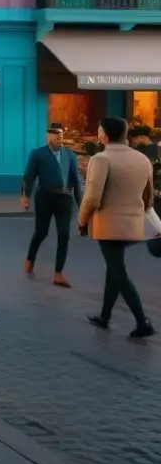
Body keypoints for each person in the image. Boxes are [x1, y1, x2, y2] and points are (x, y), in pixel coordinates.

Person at [79, 116, 156, 338]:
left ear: (106, 134)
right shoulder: (143, 160)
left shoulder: (101, 159)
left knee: (118, 272)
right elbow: (148, 198)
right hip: (133, 225)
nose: (98, 134)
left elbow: (92, 198)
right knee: (114, 267)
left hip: (109, 225)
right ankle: (104, 316)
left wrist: (82, 221)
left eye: (100, 130)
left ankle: (143, 321)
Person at [20, 122, 84, 287]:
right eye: (55, 135)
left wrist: (81, 204)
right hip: (45, 197)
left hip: (65, 199)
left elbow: (76, 180)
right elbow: (29, 176)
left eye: (61, 135)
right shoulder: (38, 154)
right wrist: (25, 196)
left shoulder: (70, 155)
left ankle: (58, 274)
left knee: (64, 235)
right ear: (48, 137)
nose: (59, 138)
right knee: (41, 232)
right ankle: (30, 258)